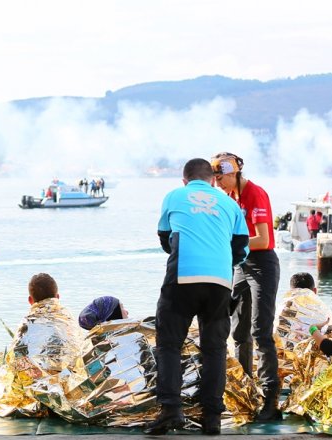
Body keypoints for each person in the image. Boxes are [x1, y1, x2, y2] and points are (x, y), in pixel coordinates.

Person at [145, 158, 249, 435]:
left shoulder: (175, 196)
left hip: (183, 276)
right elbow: (241, 248)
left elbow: (164, 237)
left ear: (185, 180)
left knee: (169, 344)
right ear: (213, 180)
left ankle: (171, 409)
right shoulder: (230, 204)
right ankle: (212, 418)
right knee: (214, 348)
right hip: (220, 281)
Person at [210, 152, 282, 421]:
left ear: (234, 173)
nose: (217, 184)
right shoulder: (229, 197)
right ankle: (245, 393)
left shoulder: (255, 194)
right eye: (214, 179)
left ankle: (271, 399)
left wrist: (230, 244)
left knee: (261, 331)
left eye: (220, 178)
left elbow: (263, 239)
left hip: (262, 264)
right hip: (241, 264)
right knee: (239, 332)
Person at [0, 273, 85, 417]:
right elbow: (80, 352)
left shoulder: (27, 323)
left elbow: (15, 360)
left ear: (30, 300)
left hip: (36, 391)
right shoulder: (68, 318)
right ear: (57, 297)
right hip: (69, 389)